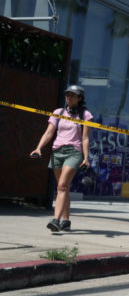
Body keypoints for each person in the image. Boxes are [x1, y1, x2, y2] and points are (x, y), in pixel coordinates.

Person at [30, 85, 92, 232]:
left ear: (80, 98)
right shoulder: (58, 112)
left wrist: (86, 157)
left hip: (74, 152)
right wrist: (39, 148)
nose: (68, 97)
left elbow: (85, 139)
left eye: (72, 95)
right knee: (63, 188)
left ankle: (56, 220)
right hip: (57, 151)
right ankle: (66, 220)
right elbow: (49, 133)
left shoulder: (85, 115)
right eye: (67, 95)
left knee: (62, 186)